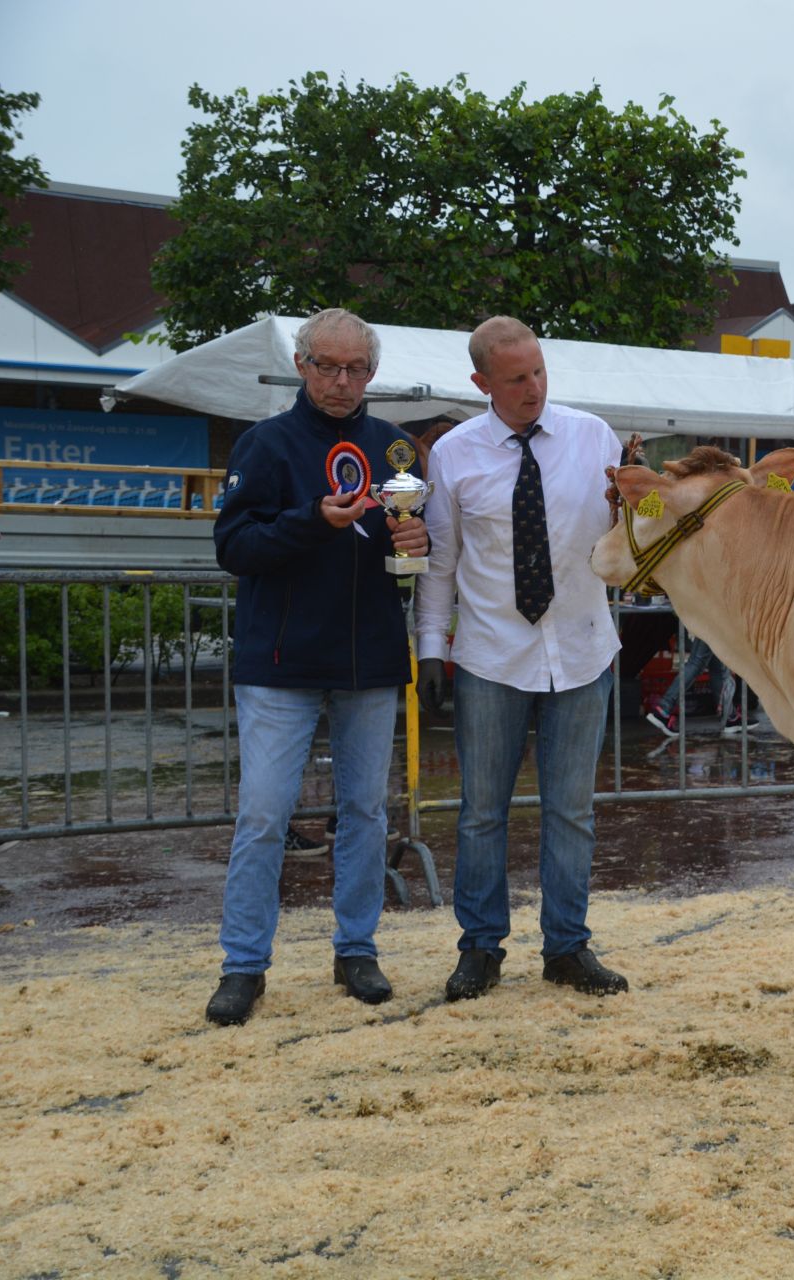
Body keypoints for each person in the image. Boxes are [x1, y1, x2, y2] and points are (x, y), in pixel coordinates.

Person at [205, 307, 429, 1026]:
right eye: (328, 366)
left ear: (372, 371)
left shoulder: (397, 449)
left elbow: (407, 558)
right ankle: (244, 965)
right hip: (280, 662)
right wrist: (313, 521)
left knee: (366, 813)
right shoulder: (264, 443)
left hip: (368, 658)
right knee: (265, 814)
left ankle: (356, 950)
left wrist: (418, 542)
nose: (341, 381)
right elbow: (234, 547)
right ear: (301, 365)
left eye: (356, 368)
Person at [414, 316, 628, 1001]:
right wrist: (429, 650)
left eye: (538, 371)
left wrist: (642, 505)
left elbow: (631, 530)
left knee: (572, 812)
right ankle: (480, 948)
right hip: (489, 655)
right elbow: (441, 562)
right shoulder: (452, 453)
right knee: (481, 813)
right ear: (482, 383)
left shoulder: (595, 437)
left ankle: (567, 947)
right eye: (515, 378)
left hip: (583, 650)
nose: (532, 387)